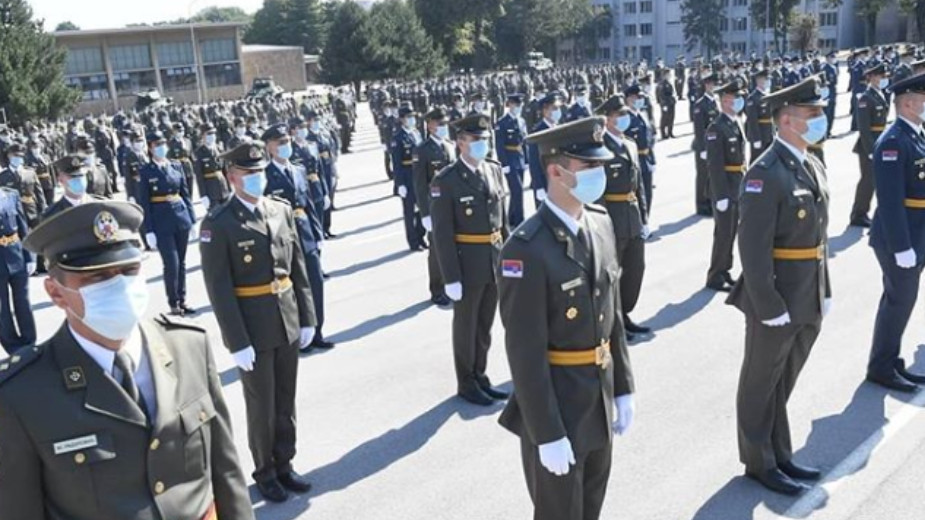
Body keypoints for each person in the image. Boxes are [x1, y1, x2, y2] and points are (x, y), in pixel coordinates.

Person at [0, 200, 254, 519]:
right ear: (56, 293)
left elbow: (227, 473)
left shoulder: (189, 345)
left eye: (129, 270)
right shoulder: (21, 394)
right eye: (96, 277)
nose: (119, 284)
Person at [498, 116, 635, 520]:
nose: (599, 173)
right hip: (558, 405)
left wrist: (624, 385)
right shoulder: (526, 248)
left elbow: (615, 318)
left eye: (599, 165)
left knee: (591, 505)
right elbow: (524, 354)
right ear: (556, 171)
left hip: (598, 396)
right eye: (588, 167)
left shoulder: (602, 224)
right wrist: (547, 432)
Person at [727, 76, 831, 496]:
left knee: (782, 380)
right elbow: (751, 249)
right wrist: (768, 303)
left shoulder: (811, 162)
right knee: (760, 380)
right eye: (812, 115)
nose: (820, 120)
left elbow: (818, 237)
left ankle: (779, 452)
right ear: (787, 120)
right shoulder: (765, 173)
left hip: (808, 291)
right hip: (776, 297)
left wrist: (825, 289)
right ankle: (759, 461)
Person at [199, 141, 317, 503]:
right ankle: (264, 470)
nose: (256, 179)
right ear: (231, 177)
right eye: (248, 174)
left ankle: (285, 462)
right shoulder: (218, 224)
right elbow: (219, 289)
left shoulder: (279, 210)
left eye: (259, 172)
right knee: (261, 403)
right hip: (253, 325)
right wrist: (237, 341)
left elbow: (298, 270)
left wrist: (308, 317)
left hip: (287, 318)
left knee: (286, 398)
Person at [430, 114, 510, 406]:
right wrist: (450, 277)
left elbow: (503, 224)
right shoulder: (446, 181)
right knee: (466, 327)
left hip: (494, 260)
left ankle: (481, 375)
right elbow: (442, 234)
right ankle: (466, 382)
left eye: (485, 138)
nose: (482, 144)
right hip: (467, 264)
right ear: (460, 142)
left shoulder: (493, 170)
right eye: (476, 139)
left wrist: (511, 262)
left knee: (484, 325)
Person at [866, 72, 925, 393]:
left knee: (901, 300)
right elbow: (890, 202)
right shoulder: (892, 141)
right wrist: (902, 247)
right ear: (908, 103)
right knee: (899, 300)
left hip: (916, 235)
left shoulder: (917, 134)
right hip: (898, 239)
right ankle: (880, 367)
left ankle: (890, 359)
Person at [262, 124, 334, 351]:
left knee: (315, 283)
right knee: (293, 290)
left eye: (287, 141)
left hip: (305, 234)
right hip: (283, 238)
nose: (285, 146)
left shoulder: (299, 170)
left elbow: (309, 204)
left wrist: (317, 231)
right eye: (280, 143)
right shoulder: (265, 176)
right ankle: (297, 337)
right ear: (269, 147)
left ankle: (317, 331)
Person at [596, 95, 650, 340]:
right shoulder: (599, 148)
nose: (624, 118)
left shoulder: (629, 144)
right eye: (618, 115)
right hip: (613, 219)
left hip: (632, 216)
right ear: (607, 119)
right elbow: (598, 193)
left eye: (625, 114)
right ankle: (613, 323)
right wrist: (602, 225)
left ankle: (624, 314)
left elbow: (639, 186)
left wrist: (644, 217)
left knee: (635, 268)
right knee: (612, 274)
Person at [137, 131, 196, 316]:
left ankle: (183, 299)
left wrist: (192, 219)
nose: (161, 148)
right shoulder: (146, 171)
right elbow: (144, 203)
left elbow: (185, 194)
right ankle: (173, 302)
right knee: (171, 263)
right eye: (157, 145)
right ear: (150, 148)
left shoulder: (176, 166)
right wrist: (148, 230)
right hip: (161, 221)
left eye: (163, 144)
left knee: (182, 263)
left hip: (181, 217)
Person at [705, 79, 748, 293]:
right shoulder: (716, 127)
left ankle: (725, 270)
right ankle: (715, 275)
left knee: (731, 231)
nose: (740, 100)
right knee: (723, 233)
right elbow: (715, 166)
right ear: (724, 101)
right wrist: (720, 195)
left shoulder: (735, 122)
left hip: (737, 185)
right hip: (725, 188)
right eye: (735, 97)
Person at [413, 108, 455, 307]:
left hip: (452, 203)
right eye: (440, 124)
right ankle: (437, 289)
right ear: (430, 125)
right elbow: (420, 184)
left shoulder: (449, 146)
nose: (443, 127)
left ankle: (452, 284)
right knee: (438, 250)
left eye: (445, 123)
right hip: (435, 206)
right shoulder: (422, 150)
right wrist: (424, 213)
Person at [851, 63, 892, 228]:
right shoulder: (866, 98)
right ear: (872, 77)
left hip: (878, 142)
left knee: (874, 180)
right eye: (880, 76)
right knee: (867, 181)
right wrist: (870, 150)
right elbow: (864, 128)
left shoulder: (879, 94)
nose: (883, 79)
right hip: (868, 146)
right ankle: (858, 214)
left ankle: (865, 212)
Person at [391, 106, 427, 251]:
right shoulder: (398, 138)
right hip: (407, 176)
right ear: (402, 119)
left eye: (412, 116)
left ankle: (421, 237)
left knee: (422, 209)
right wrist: (399, 184)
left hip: (419, 176)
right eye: (408, 117)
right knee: (410, 211)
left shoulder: (416, 133)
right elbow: (396, 163)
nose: (412, 119)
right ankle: (413, 241)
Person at [495, 94, 528, 227]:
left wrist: (526, 160)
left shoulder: (522, 121)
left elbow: (525, 141)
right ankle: (520, 220)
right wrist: (504, 163)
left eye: (520, 105)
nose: (519, 108)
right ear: (511, 105)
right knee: (517, 190)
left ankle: (511, 218)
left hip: (520, 158)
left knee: (516, 191)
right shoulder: (502, 122)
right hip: (510, 158)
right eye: (517, 105)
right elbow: (499, 145)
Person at [0, 143, 46, 233]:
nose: (18, 158)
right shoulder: (2, 177)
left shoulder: (30, 173)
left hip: (32, 212)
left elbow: (39, 193)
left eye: (20, 156)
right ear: (9, 156)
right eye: (15, 156)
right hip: (13, 215)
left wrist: (43, 209)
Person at [528, 92, 563, 210]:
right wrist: (538, 186)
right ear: (545, 110)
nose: (558, 111)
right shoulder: (538, 132)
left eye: (559, 108)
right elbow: (534, 163)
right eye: (554, 108)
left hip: (560, 181)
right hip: (545, 181)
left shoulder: (560, 128)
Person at [693, 73, 719, 216]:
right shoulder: (700, 104)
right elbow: (698, 129)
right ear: (705, 85)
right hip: (704, 146)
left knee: (711, 175)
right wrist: (702, 148)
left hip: (714, 145)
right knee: (703, 176)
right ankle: (701, 204)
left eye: (714, 84)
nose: (712, 87)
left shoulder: (715, 102)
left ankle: (710, 201)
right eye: (710, 84)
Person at [193, 122, 231, 211]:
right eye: (209, 134)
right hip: (211, 191)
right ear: (203, 136)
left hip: (223, 188)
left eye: (213, 133)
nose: (212, 136)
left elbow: (225, 171)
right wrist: (203, 195)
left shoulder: (219, 149)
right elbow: (199, 176)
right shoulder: (199, 153)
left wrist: (229, 188)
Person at [745, 70, 774, 164]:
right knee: (756, 162)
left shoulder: (767, 95)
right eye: (766, 79)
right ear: (759, 80)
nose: (768, 81)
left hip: (769, 135)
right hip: (760, 135)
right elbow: (752, 121)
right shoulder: (753, 98)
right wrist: (756, 138)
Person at [657, 68, 677, 139]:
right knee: (664, 119)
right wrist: (663, 105)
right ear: (665, 75)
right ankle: (663, 134)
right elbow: (661, 95)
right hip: (666, 103)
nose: (670, 75)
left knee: (671, 118)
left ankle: (670, 132)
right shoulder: (662, 84)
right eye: (668, 74)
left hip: (671, 103)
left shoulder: (669, 82)